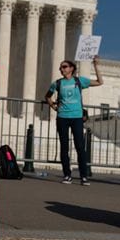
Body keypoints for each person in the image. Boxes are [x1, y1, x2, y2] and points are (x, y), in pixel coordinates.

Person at [45, 56, 103, 186]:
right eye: (60, 67)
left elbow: (100, 82)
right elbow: (47, 96)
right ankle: (67, 175)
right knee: (64, 147)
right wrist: (53, 106)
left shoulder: (79, 81)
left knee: (80, 147)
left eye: (64, 67)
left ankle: (84, 176)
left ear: (71, 68)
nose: (61, 69)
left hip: (76, 117)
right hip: (62, 118)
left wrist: (96, 65)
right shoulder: (57, 83)